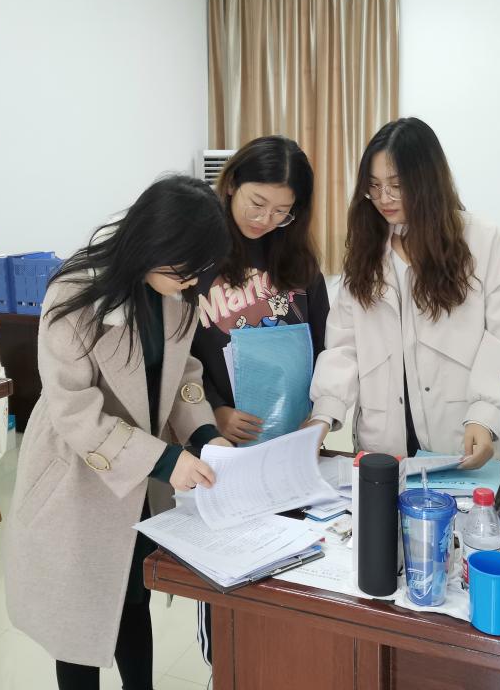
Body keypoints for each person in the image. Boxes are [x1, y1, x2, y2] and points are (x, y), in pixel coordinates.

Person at [5, 175, 233, 690]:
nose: (192, 282)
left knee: (131, 596)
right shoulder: (74, 293)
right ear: (155, 244)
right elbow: (74, 409)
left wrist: (204, 435)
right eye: (185, 269)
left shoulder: (175, 289)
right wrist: (166, 460)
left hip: (137, 477)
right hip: (78, 473)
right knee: (78, 617)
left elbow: (183, 374)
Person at [310, 117, 500, 465]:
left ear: (427, 181)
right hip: (382, 441)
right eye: (374, 186)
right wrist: (325, 412)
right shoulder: (366, 251)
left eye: (396, 185)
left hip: (461, 438)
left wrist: (486, 415)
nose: (383, 198)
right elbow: (344, 344)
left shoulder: (484, 243)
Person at [189, 135, 329, 663]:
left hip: (289, 446)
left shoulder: (299, 262)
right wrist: (213, 412)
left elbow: (325, 345)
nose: (266, 219)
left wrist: (322, 415)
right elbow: (178, 360)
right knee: (225, 573)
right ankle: (222, 666)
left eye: (282, 211)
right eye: (257, 203)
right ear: (231, 185)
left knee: (288, 575)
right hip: (222, 449)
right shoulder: (194, 257)